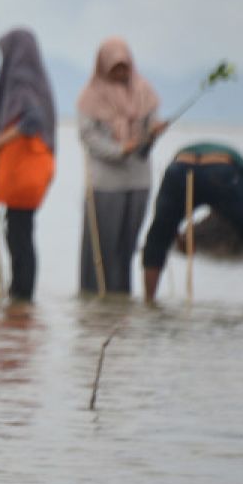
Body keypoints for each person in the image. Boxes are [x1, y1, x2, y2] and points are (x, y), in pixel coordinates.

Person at [0, 28, 57, 302]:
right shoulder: (38, 81)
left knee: (19, 236)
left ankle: (21, 297)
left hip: (25, 174)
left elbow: (31, 122)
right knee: (21, 232)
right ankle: (21, 300)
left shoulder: (21, 81)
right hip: (34, 172)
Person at [77, 37, 167, 295]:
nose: (120, 73)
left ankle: (121, 303)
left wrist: (153, 133)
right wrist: (119, 150)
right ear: (103, 66)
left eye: (124, 67)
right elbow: (88, 136)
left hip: (138, 182)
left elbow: (147, 135)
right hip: (105, 184)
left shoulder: (144, 92)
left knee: (126, 250)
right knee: (100, 250)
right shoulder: (90, 96)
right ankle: (94, 304)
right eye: (114, 67)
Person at [140, 142, 243, 306]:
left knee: (158, 236)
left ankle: (149, 300)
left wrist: (177, 236)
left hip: (180, 167)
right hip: (223, 169)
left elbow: (163, 217)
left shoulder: (182, 157)